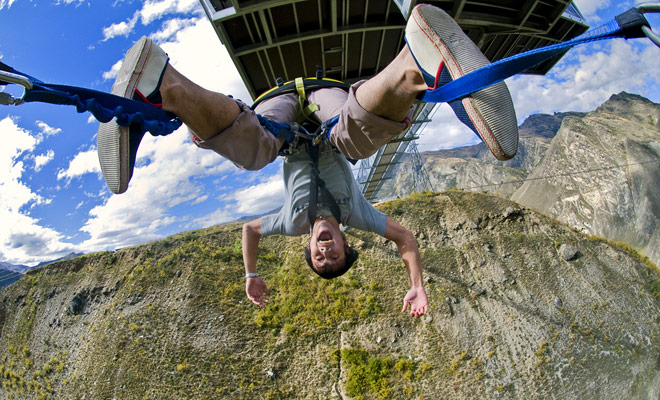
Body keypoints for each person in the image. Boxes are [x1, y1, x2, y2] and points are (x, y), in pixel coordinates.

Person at [98, 4, 519, 317]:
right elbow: (407, 240)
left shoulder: (291, 221)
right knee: (349, 141)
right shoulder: (358, 214)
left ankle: (162, 86)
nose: (325, 253)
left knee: (258, 152)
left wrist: (250, 274)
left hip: (279, 112)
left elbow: (249, 229)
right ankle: (417, 64)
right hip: (325, 102)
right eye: (335, 256)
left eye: (319, 260)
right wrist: (417, 286)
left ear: (308, 247)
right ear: (345, 243)